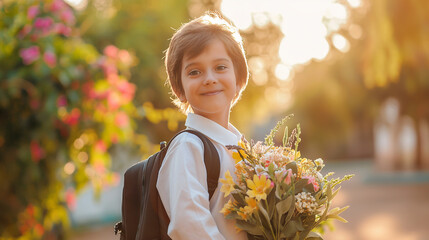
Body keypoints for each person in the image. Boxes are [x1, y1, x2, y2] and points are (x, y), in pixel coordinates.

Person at [156, 12, 249, 240]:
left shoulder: (242, 149)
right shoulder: (188, 147)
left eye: (220, 67)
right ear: (180, 89)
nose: (209, 78)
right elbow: (190, 228)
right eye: (194, 72)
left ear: (239, 80)